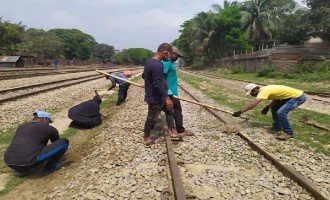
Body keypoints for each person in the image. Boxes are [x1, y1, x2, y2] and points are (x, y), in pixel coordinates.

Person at [232, 83, 306, 140]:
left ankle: (288, 132)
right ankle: (277, 127)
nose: (251, 95)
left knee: (281, 112)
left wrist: (240, 112)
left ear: (255, 90)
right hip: (288, 97)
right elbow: (276, 98)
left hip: (297, 97)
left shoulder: (263, 92)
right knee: (274, 107)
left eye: (251, 93)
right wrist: (268, 107)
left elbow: (253, 104)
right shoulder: (265, 89)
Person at [3, 111, 69, 174]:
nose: (49, 123)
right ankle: (50, 167)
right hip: (28, 162)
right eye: (49, 121)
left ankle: (23, 169)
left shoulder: (22, 126)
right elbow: (56, 143)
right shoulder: (50, 128)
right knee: (64, 142)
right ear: (45, 119)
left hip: (8, 161)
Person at [143, 43, 179, 146]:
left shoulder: (149, 62)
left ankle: (173, 130)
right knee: (152, 117)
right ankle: (146, 136)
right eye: (169, 54)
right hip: (155, 97)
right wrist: (167, 98)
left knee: (169, 111)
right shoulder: (157, 65)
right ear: (165, 52)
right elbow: (158, 83)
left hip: (158, 95)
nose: (169, 56)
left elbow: (144, 76)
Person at [162, 47, 194, 137]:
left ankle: (176, 129)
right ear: (173, 54)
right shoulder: (167, 62)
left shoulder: (169, 62)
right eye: (177, 55)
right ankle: (179, 130)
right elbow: (162, 77)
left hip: (171, 91)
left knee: (171, 111)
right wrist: (167, 92)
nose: (177, 58)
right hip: (170, 92)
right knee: (177, 111)